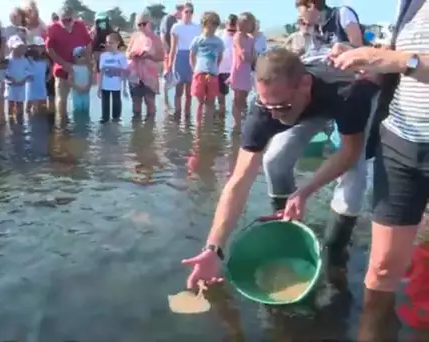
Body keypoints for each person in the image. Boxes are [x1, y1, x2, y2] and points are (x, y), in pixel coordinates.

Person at [182, 48, 379, 292]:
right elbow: (239, 181)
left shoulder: (348, 91)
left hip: (351, 98)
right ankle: (288, 226)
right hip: (305, 107)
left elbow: (348, 152)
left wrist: (305, 191)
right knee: (274, 159)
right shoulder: (265, 110)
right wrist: (213, 248)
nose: (273, 115)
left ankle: (336, 258)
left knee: (353, 178)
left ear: (305, 84)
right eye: (267, 107)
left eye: (281, 106)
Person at [328, 1, 429, 339]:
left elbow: (406, 61)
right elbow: (405, 57)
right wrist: (365, 55)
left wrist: (396, 61)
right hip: (401, 141)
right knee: (382, 268)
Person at [45, 5, 91, 115]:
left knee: (82, 99)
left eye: (69, 20)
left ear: (74, 17)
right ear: (59, 18)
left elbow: (88, 43)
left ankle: (81, 127)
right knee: (61, 99)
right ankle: (61, 126)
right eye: (63, 20)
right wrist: (64, 64)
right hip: (62, 69)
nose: (66, 23)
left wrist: (87, 61)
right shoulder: (53, 28)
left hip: (80, 68)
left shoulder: (80, 26)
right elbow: (49, 49)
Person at [126, 11, 164, 118]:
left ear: (149, 23)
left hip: (149, 76)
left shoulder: (155, 38)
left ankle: (150, 129)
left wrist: (149, 56)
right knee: (136, 102)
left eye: (144, 23)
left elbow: (161, 57)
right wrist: (132, 54)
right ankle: (137, 129)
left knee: (150, 101)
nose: (142, 26)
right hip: (135, 74)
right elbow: (127, 53)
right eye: (139, 24)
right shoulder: (134, 37)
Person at [168, 2, 200, 115]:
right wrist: (169, 65)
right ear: (182, 12)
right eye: (186, 11)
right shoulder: (176, 27)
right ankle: (177, 113)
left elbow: (199, 47)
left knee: (189, 91)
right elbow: (173, 48)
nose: (188, 14)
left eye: (191, 12)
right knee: (179, 89)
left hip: (193, 57)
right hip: (180, 57)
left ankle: (186, 115)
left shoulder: (197, 27)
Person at [190, 11, 224, 116]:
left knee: (210, 103)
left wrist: (214, 68)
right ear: (205, 23)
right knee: (199, 102)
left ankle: (208, 129)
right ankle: (197, 129)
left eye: (216, 24)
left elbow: (220, 57)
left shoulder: (219, 41)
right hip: (199, 73)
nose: (214, 26)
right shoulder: (197, 40)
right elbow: (192, 56)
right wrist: (194, 70)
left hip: (212, 74)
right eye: (212, 23)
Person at [229, 12, 256, 132]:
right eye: (250, 23)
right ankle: (236, 124)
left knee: (244, 97)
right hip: (238, 70)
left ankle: (244, 122)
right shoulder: (237, 36)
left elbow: (253, 57)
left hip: (246, 71)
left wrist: (250, 57)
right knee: (237, 98)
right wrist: (250, 57)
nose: (252, 26)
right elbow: (243, 56)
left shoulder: (251, 38)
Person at [296, 0, 364, 46]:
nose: (299, 15)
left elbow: (358, 48)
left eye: (299, 10)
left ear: (310, 6)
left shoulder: (342, 14)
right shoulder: (315, 29)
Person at [98, 33, 128, 122]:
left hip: (116, 86)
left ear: (117, 43)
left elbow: (124, 73)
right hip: (105, 86)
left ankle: (116, 126)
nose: (108, 45)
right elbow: (101, 72)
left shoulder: (121, 56)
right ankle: (105, 128)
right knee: (105, 112)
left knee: (116, 111)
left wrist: (125, 88)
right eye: (107, 43)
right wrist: (99, 87)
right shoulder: (103, 56)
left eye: (111, 43)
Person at [159, 4, 183, 108]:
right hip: (168, 51)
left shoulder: (175, 20)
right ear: (180, 11)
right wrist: (167, 51)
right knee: (166, 74)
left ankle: (169, 102)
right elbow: (163, 35)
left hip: (175, 52)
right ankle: (165, 102)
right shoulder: (168, 18)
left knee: (173, 76)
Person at [4, 35, 31, 117]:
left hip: (21, 86)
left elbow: (29, 72)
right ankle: (10, 119)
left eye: (21, 47)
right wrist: (9, 79)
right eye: (17, 47)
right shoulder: (8, 60)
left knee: (20, 104)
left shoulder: (25, 60)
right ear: (11, 48)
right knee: (10, 104)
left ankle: (20, 119)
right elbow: (3, 74)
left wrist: (25, 79)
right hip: (11, 86)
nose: (19, 50)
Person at [217, 14, 236, 115]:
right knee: (221, 97)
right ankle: (221, 119)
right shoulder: (219, 34)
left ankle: (238, 122)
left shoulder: (240, 36)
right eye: (230, 30)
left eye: (234, 30)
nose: (232, 33)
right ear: (226, 25)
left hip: (235, 70)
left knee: (239, 99)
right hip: (221, 70)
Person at [26, 36, 49, 114]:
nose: (40, 48)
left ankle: (41, 121)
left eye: (42, 47)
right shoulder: (28, 58)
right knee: (29, 105)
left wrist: (48, 77)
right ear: (33, 47)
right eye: (38, 47)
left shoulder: (45, 58)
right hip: (31, 85)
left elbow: (51, 68)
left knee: (43, 105)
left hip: (41, 84)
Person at [71, 46, 92, 114]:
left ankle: (86, 124)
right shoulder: (73, 68)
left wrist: (88, 87)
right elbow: (69, 81)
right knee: (78, 110)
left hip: (86, 92)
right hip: (77, 92)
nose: (82, 58)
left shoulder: (87, 67)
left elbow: (90, 79)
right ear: (74, 57)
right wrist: (78, 88)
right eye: (80, 56)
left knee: (86, 109)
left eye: (84, 56)